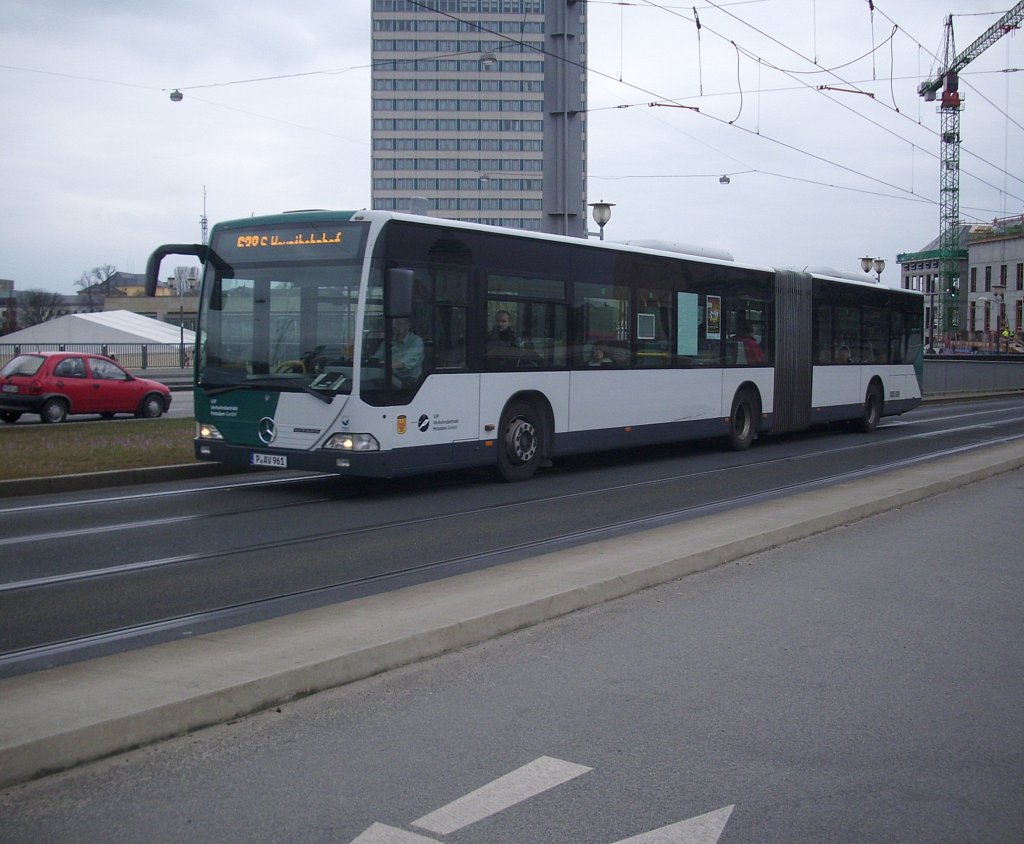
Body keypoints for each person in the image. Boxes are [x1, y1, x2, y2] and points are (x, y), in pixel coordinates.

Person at [375, 317, 423, 387]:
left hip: (408, 381)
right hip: (389, 376)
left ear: (408, 325)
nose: (394, 326)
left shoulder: (416, 341)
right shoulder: (388, 341)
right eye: (393, 323)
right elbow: (377, 358)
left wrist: (385, 366)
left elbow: (404, 363)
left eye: (398, 323)